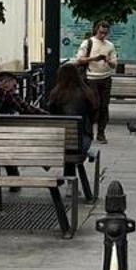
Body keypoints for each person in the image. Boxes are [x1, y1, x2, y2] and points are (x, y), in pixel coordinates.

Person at [44, 61, 98, 192]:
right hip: (81, 140)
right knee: (72, 146)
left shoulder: (56, 94)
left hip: (59, 140)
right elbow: (93, 115)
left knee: (67, 144)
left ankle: (68, 182)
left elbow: (52, 116)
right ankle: (70, 185)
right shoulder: (86, 93)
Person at [74, 20, 118, 143]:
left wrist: (108, 61)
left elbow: (114, 64)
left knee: (104, 107)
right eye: (101, 32)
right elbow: (79, 60)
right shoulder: (88, 43)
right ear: (96, 30)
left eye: (105, 33)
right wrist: (94, 58)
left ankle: (101, 133)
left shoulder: (110, 45)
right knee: (94, 106)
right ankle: (89, 131)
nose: (103, 35)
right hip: (91, 78)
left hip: (105, 78)